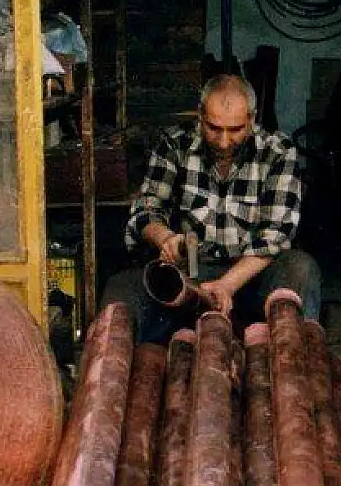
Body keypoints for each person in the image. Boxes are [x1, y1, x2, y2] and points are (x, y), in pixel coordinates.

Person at [102, 74, 321, 342]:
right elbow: (146, 210)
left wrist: (226, 285)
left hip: (252, 274)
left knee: (300, 268)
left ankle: (293, 356)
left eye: (236, 130)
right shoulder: (174, 145)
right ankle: (110, 360)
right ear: (200, 116)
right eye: (214, 128)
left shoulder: (277, 151)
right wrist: (165, 238)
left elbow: (275, 235)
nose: (224, 142)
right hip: (191, 276)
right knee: (122, 288)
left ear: (252, 119)